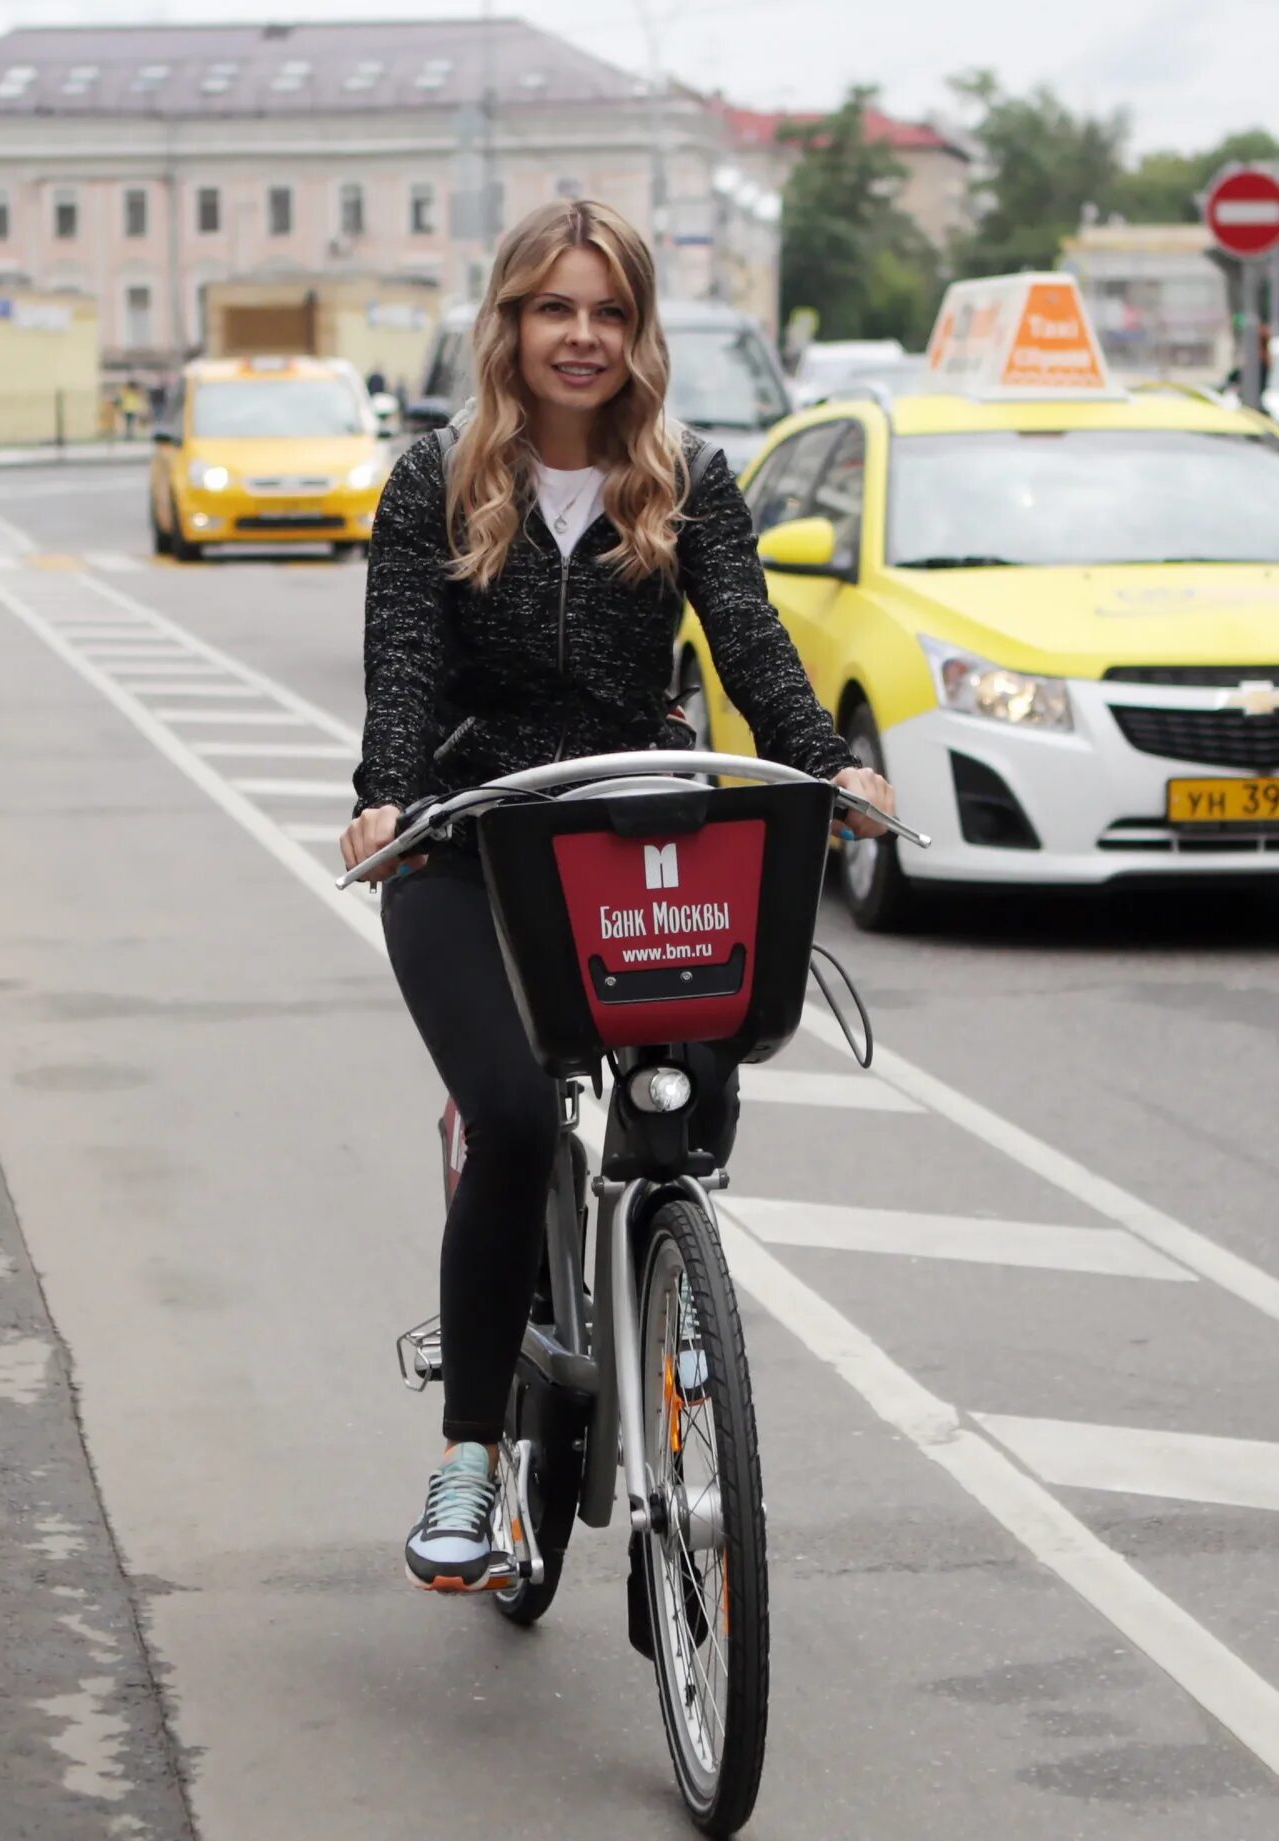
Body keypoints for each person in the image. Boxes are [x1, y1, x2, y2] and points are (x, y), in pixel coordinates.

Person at [342, 197, 895, 1590]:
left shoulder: (689, 477)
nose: (579, 337)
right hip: (468, 845)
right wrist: (384, 794)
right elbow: (402, 662)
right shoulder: (435, 481)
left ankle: (670, 1333)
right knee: (518, 1116)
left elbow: (754, 646)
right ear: (509, 327)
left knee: (687, 1104)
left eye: (607, 312)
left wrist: (829, 771)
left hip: (626, 844)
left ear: (640, 333)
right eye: (551, 309)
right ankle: (471, 1453)